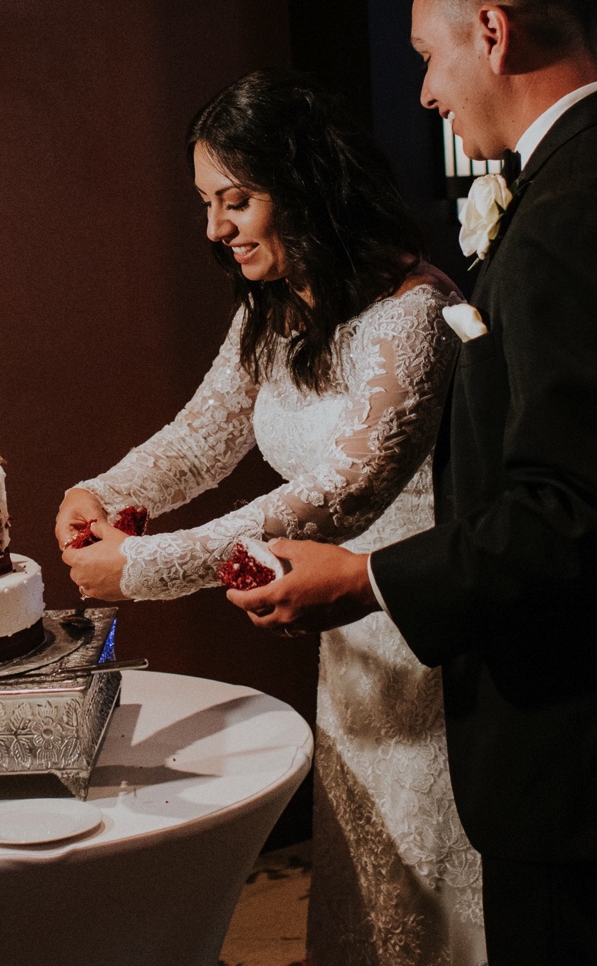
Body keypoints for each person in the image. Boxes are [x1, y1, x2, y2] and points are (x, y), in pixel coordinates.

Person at [56, 71, 487, 966]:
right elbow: (199, 440)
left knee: (438, 879)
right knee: (369, 878)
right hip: (347, 644)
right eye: (208, 203)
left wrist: (145, 567)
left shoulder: (414, 312)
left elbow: (341, 490)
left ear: (305, 183)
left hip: (419, 625)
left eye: (235, 200)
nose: (215, 228)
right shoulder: (273, 308)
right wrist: (99, 490)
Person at [237, 0, 597, 964]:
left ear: (491, 31)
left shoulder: (569, 215)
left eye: (430, 58)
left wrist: (365, 580)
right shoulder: (562, 186)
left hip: (571, 745)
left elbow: (568, 508)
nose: (431, 92)